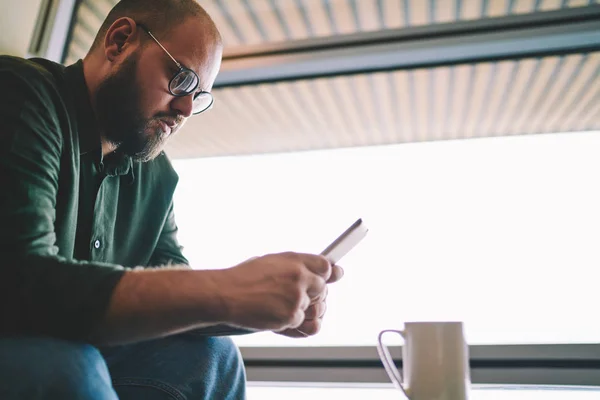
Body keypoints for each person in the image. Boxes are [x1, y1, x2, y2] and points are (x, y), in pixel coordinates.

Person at [0, 0, 343, 398]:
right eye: (181, 79)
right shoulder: (21, 93)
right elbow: (20, 282)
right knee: (68, 367)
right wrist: (228, 290)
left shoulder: (156, 175)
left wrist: (264, 305)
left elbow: (177, 296)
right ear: (120, 41)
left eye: (198, 96)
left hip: (74, 349)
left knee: (214, 357)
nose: (184, 109)